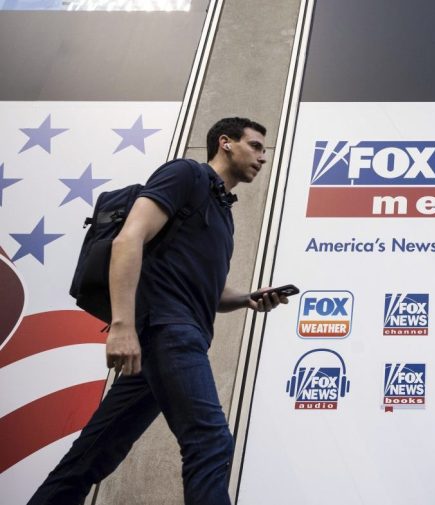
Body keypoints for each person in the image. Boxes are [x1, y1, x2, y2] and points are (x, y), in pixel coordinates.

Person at [28, 117, 287, 505]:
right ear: (226, 143)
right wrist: (122, 326)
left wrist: (248, 297)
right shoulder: (186, 174)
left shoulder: (224, 214)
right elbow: (129, 238)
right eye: (255, 146)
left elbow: (208, 293)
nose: (263, 158)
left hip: (173, 341)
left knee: (92, 456)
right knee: (210, 440)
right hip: (167, 332)